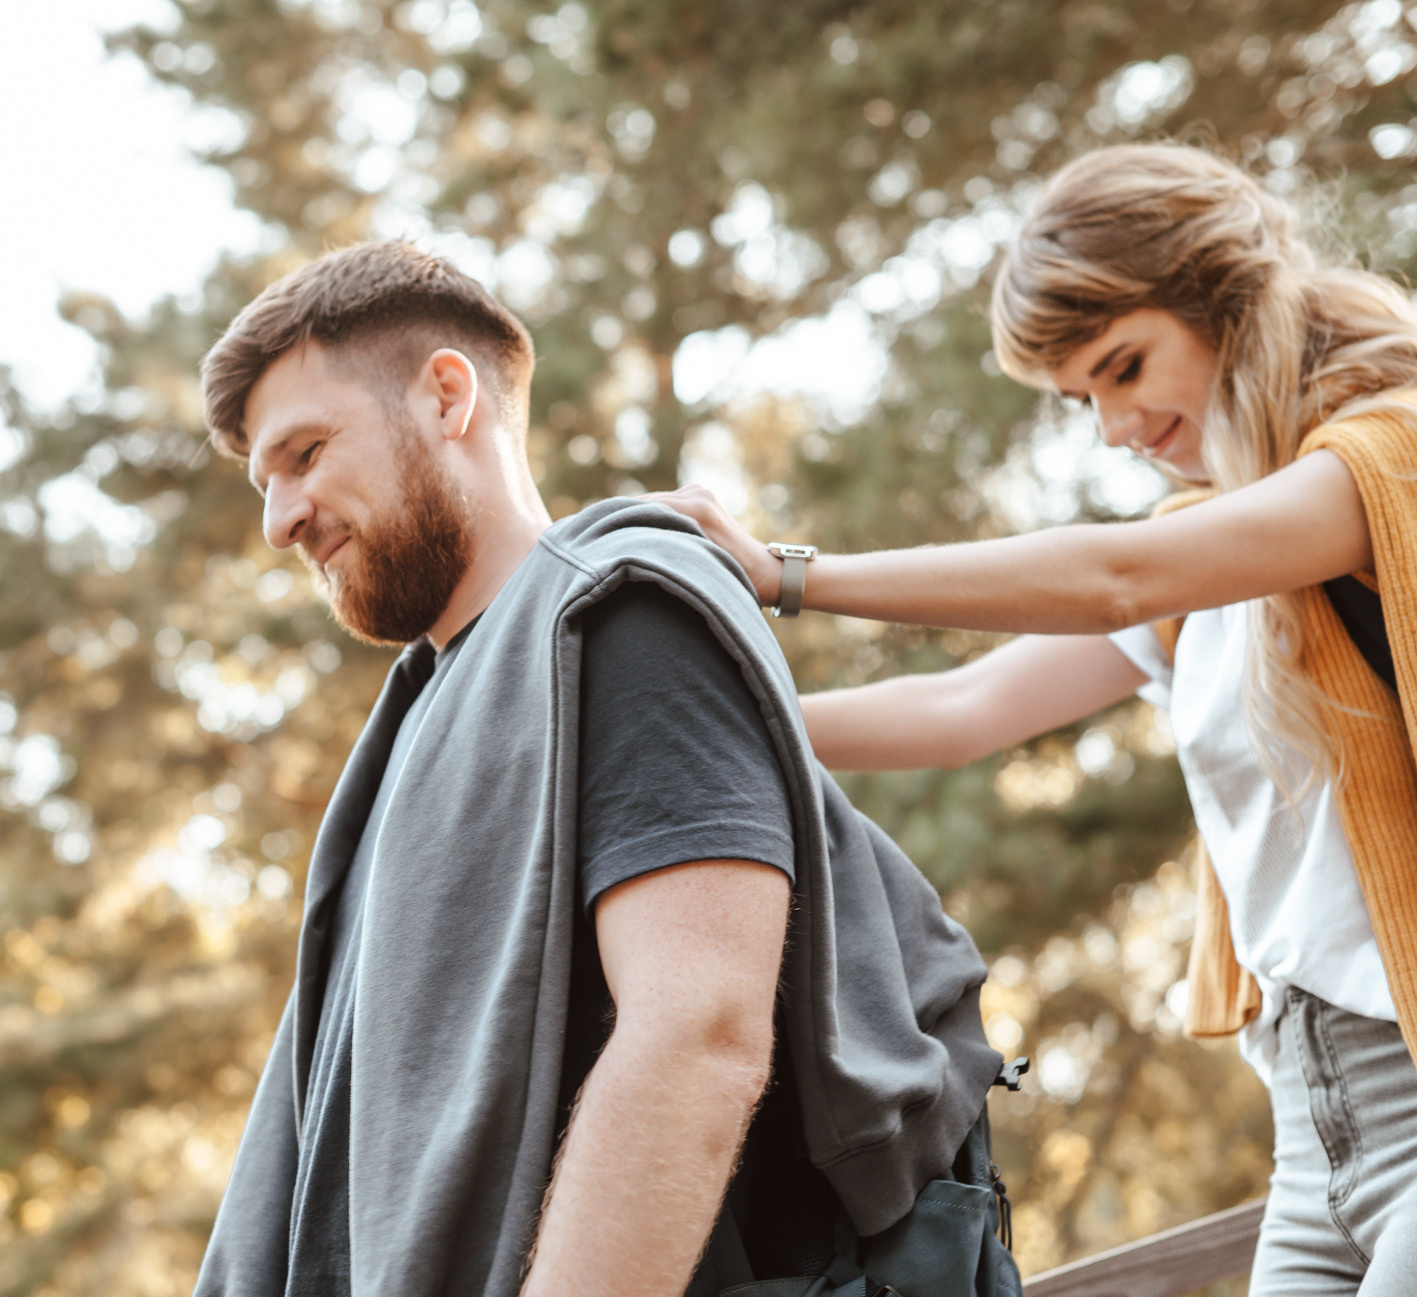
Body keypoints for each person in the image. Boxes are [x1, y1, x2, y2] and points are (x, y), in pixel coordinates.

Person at [652, 142, 1417, 1296]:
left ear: (1231, 305)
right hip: (1312, 1139)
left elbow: (1120, 575)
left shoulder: (1398, 457)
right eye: (1080, 397)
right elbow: (964, 706)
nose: (1112, 424)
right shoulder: (1218, 563)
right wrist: (697, 727)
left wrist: (790, 574)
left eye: (1124, 366)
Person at [188, 241, 1006, 1297]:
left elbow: (696, 1032)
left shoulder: (617, 615)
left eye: (305, 453)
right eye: (266, 482)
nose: (279, 520)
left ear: (447, 397)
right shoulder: (426, 719)